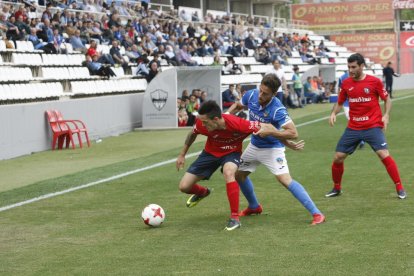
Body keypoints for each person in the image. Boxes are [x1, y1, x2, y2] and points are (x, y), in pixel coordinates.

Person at [227, 74, 326, 225]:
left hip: (272, 149)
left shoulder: (277, 109)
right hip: (254, 145)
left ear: (274, 94)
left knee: (284, 180)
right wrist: (226, 116)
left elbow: (293, 133)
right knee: (239, 175)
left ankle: (317, 214)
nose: (260, 95)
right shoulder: (251, 95)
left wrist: (272, 132)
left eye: (265, 93)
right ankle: (254, 206)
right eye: (260, 90)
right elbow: (238, 106)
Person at [176, 100, 274, 231]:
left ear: (215, 119)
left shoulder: (238, 124)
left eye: (205, 122)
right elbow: (192, 134)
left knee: (229, 172)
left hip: (231, 153)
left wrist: (285, 139)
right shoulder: (201, 123)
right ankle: (203, 192)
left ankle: (235, 218)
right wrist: (182, 155)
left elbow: (266, 126)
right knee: (184, 186)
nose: (203, 124)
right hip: (209, 153)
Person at [326, 53, 406, 199]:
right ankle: (336, 188)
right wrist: (333, 113)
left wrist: (386, 115)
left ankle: (400, 187)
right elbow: (339, 102)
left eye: (354, 67)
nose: (351, 70)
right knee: (338, 157)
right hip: (354, 127)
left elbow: (387, 100)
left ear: (362, 66)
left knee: (383, 154)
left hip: (373, 126)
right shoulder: (346, 83)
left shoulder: (374, 82)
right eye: (349, 67)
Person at [338, 71, 365, 149]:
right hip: (346, 103)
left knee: (357, 121)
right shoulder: (342, 77)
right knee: (352, 120)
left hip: (357, 102)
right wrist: (339, 101)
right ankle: (360, 139)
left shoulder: (358, 75)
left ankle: (360, 138)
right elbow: (339, 90)